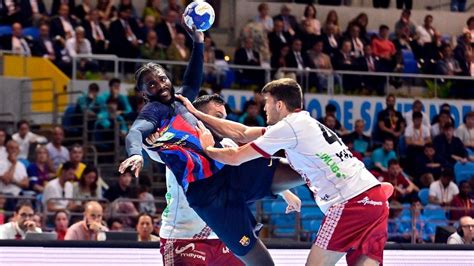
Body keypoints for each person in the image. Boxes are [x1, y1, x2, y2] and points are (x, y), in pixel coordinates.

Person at [119, 22, 304, 265]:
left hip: (224, 197)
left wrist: (198, 41)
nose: (161, 85)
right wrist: (137, 152)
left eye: (162, 79)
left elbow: (193, 76)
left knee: (298, 167)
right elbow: (136, 132)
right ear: (145, 94)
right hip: (191, 224)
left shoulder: (185, 106)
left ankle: (331, 170)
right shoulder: (156, 117)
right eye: (152, 85)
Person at [179, 78, 391, 265]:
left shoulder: (288, 128)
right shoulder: (302, 123)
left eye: (267, 104)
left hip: (350, 203)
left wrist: (208, 148)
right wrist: (197, 114)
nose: (264, 109)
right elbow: (242, 132)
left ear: (279, 104)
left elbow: (235, 157)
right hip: (375, 198)